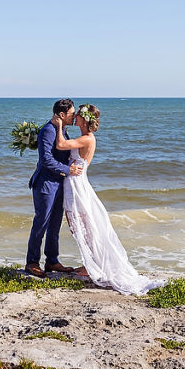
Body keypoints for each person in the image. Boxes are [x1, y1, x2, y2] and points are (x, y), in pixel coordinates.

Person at [52, 104, 165, 295]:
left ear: (84, 120)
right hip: (75, 183)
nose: (75, 118)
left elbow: (61, 145)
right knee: (77, 225)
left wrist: (58, 126)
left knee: (82, 225)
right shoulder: (83, 138)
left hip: (77, 185)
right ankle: (90, 262)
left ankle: (92, 266)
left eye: (78, 115)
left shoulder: (87, 139)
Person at [25, 99, 84, 278]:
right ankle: (32, 263)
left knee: (55, 224)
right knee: (41, 223)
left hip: (59, 183)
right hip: (45, 184)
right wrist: (68, 169)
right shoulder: (47, 130)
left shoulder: (62, 130)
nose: (74, 116)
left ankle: (52, 260)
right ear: (61, 115)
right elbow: (46, 160)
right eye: (71, 114)